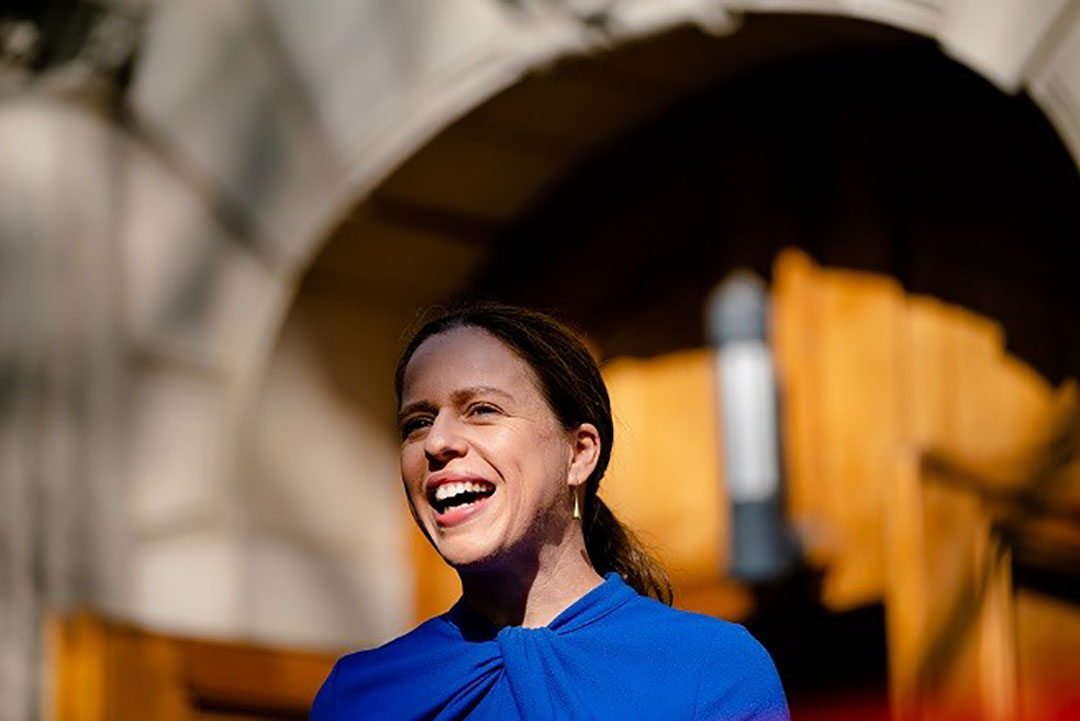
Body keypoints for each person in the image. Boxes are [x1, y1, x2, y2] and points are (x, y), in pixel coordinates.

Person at [310, 303, 789, 720]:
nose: (436, 443)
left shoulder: (711, 670)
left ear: (579, 453)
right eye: (417, 423)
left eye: (481, 410)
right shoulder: (357, 697)